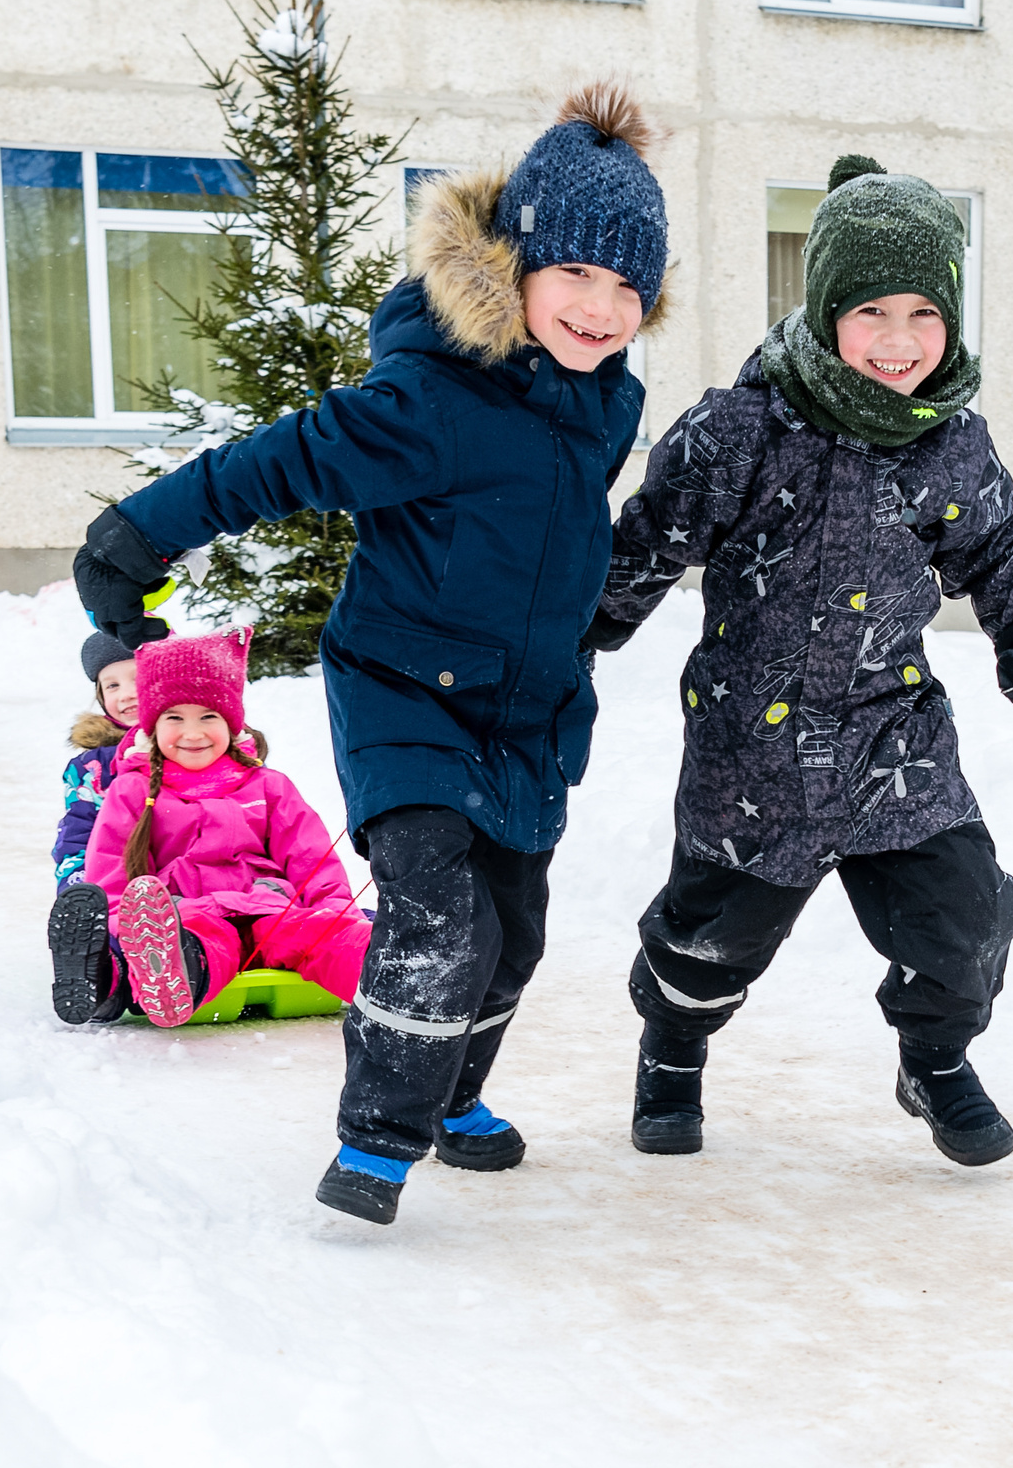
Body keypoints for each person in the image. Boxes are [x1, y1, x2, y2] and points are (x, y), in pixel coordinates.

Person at [70, 84, 669, 1224]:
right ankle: (381, 1135)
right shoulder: (428, 399)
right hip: (405, 693)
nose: (601, 310)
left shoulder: (604, 398)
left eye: (628, 287)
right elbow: (275, 463)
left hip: (530, 711)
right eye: (578, 275)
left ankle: (452, 1097)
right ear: (512, 267)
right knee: (435, 908)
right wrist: (134, 538)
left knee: (510, 943)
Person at [586, 153, 1013, 1168]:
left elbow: (995, 546)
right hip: (752, 742)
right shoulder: (739, 432)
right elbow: (644, 544)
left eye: (922, 316)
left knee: (968, 923)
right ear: (823, 311)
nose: (899, 343)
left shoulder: (951, 441)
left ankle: (934, 1060)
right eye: (871, 314)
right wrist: (575, 639)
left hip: (893, 737)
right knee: (709, 939)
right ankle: (673, 1048)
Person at [84, 629, 370, 1028]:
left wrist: (335, 910)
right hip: (187, 916)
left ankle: (395, 976)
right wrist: (115, 928)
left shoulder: (267, 786)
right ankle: (163, 974)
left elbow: (310, 857)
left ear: (232, 722)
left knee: (321, 935)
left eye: (208, 716)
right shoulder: (134, 790)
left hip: (269, 910)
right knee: (206, 946)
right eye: (174, 718)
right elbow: (111, 867)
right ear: (152, 724)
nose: (194, 732)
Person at [47, 630, 142, 1025]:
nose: (127, 694)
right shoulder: (94, 767)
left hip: (183, 876)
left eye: (140, 679)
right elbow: (77, 830)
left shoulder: (198, 743)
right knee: (118, 927)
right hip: (118, 876)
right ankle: (100, 980)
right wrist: (78, 883)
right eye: (112, 685)